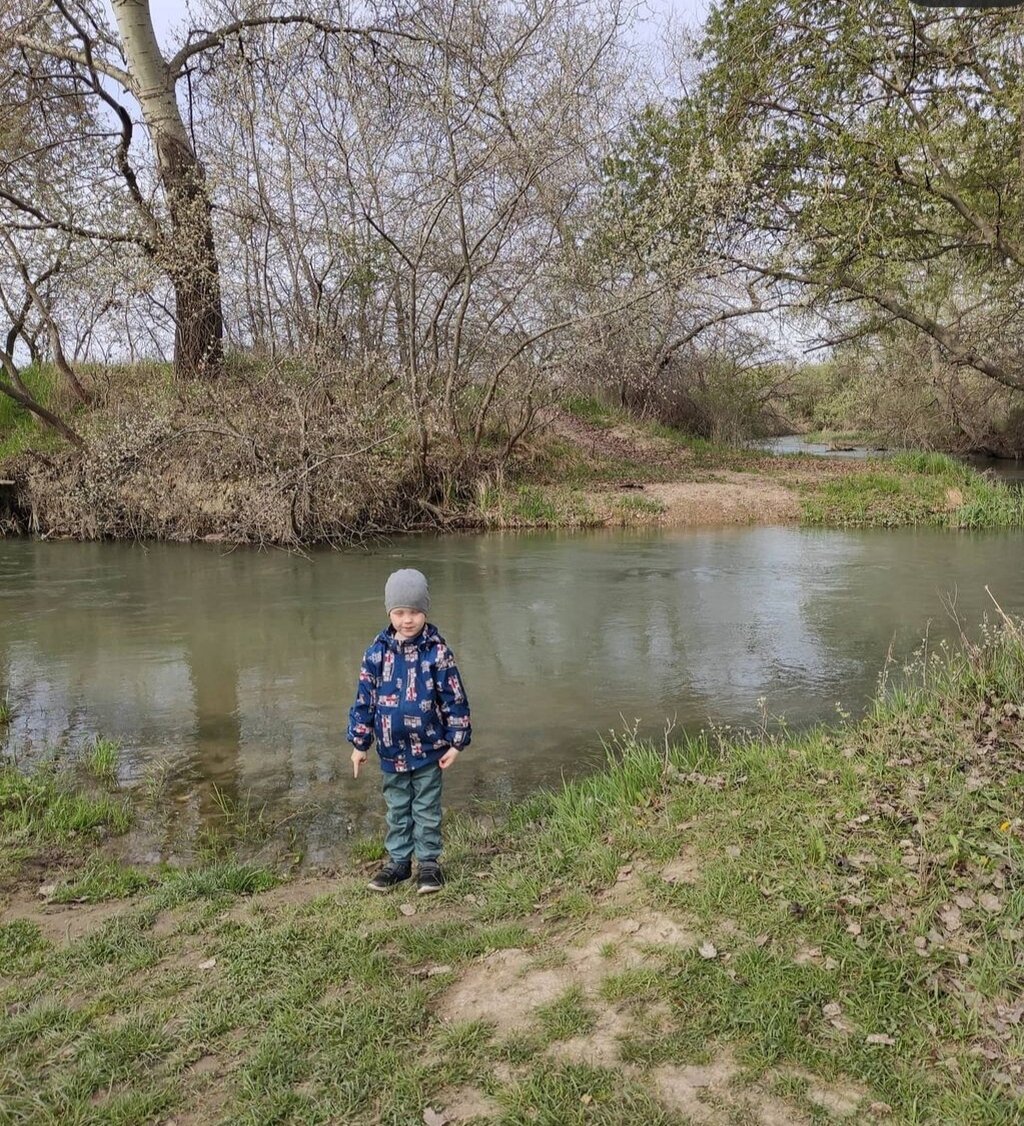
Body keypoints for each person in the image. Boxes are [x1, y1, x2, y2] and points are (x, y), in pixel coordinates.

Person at [347, 568, 471, 894]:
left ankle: (429, 865)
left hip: (430, 749)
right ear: (389, 612)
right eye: (400, 612)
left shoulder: (437, 653)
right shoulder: (376, 654)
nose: (407, 620)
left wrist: (456, 743)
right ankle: (399, 864)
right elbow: (364, 701)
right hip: (391, 750)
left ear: (425, 612)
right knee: (397, 808)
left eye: (415, 612)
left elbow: (454, 700)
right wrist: (360, 744)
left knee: (427, 808)